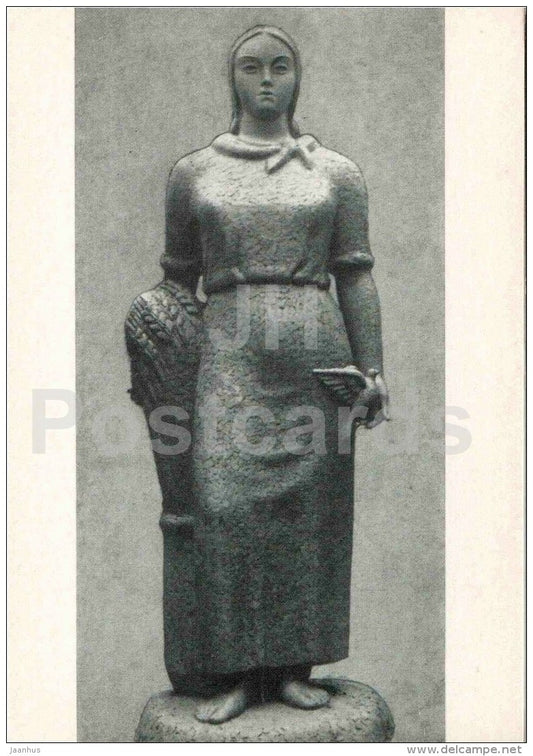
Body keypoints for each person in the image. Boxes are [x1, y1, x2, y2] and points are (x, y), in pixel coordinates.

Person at [156, 25, 389, 724]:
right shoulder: (194, 172)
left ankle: (290, 669)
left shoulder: (334, 173)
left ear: (297, 77)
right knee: (225, 510)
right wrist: (157, 355)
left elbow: (355, 274)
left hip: (315, 354)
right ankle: (233, 671)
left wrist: (373, 369)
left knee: (308, 518)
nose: (265, 80)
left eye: (279, 66)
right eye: (251, 67)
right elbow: (174, 283)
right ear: (231, 78)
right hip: (228, 351)